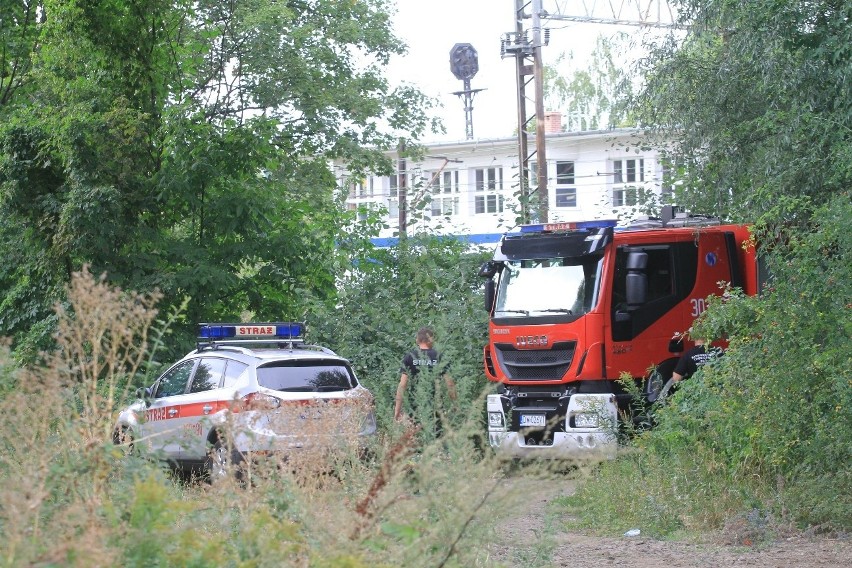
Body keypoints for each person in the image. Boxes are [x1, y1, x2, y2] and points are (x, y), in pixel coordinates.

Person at [394, 327, 456, 433]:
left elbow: (402, 385)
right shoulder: (439, 356)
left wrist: (397, 411)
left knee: (415, 438)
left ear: (417, 340)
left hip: (415, 405)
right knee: (435, 436)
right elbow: (449, 383)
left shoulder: (410, 357)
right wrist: (455, 404)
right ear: (431, 340)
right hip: (435, 405)